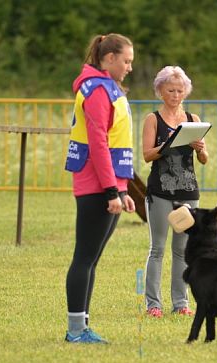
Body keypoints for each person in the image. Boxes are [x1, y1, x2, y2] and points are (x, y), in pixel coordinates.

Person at [64, 33, 137, 344]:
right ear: (110, 59)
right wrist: (110, 190)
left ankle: (83, 326)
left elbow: (115, 140)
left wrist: (123, 190)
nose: (130, 67)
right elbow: (98, 142)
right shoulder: (95, 90)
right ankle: (76, 330)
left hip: (109, 184)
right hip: (96, 185)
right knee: (84, 258)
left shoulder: (108, 87)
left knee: (91, 259)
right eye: (126, 61)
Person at [141, 66, 209, 318]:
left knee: (182, 250)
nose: (176, 95)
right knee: (157, 248)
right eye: (170, 90)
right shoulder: (152, 119)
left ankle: (181, 303)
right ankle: (153, 305)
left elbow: (203, 159)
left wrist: (200, 149)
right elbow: (147, 154)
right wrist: (167, 144)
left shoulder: (193, 120)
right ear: (160, 91)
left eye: (180, 90)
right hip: (160, 192)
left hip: (188, 192)